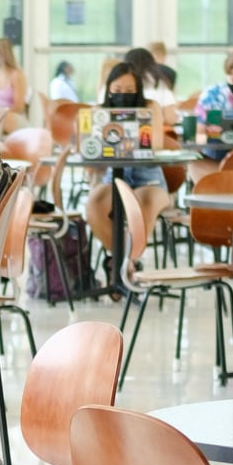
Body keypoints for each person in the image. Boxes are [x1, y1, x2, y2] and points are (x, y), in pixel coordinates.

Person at [80, 50, 176, 287]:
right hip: (114, 176)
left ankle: (124, 266)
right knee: (94, 204)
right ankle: (127, 264)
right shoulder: (99, 112)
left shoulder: (150, 106)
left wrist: (125, 136)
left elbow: (155, 144)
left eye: (129, 91)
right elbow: (88, 151)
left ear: (138, 90)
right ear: (109, 89)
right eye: (117, 91)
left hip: (149, 178)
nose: (123, 95)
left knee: (142, 204)